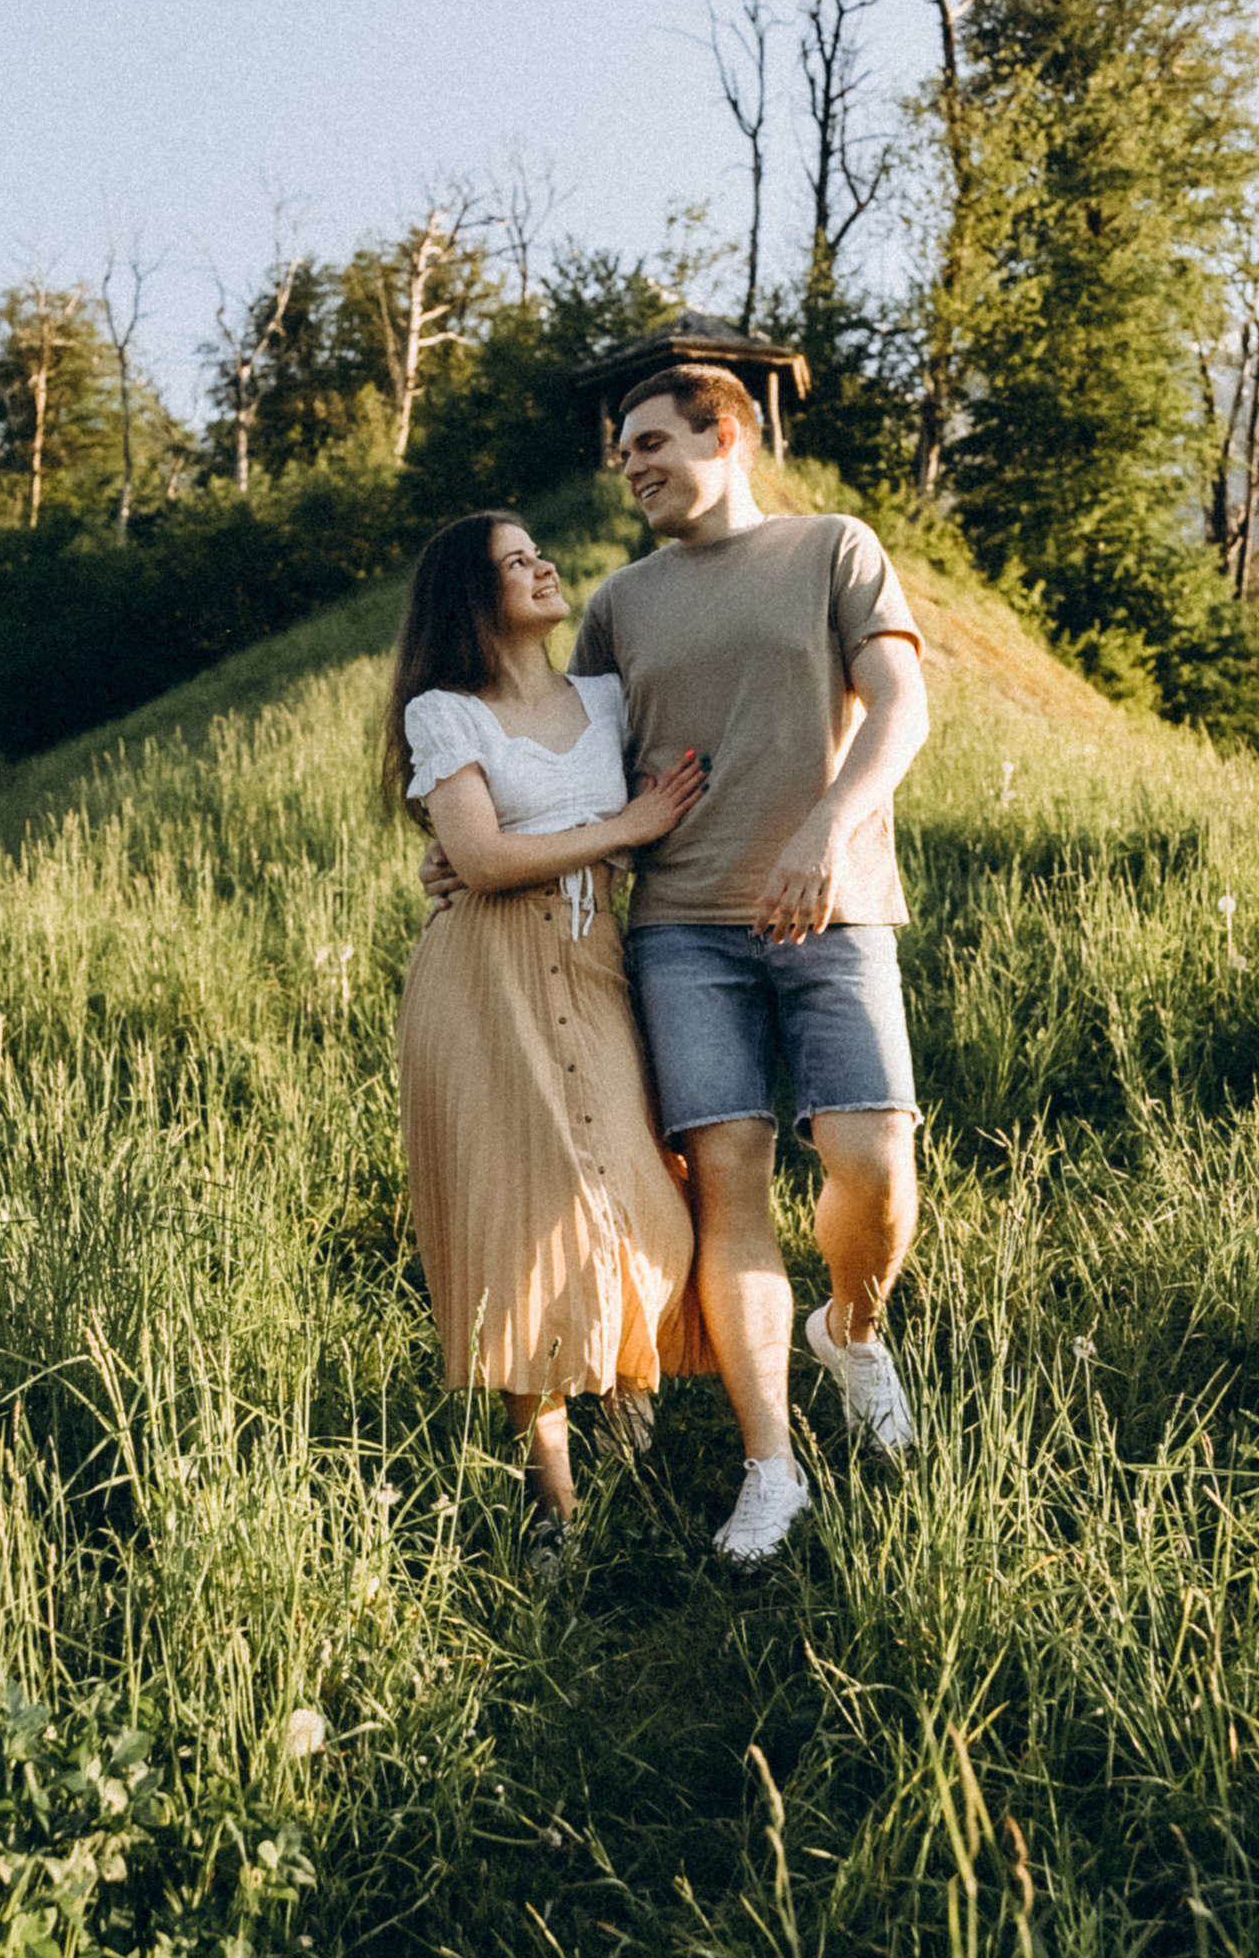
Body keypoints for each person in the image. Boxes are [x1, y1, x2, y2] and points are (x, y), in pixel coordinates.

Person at [565, 360, 930, 1563]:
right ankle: (769, 1467)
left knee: (871, 1159)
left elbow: (898, 707)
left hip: (833, 906)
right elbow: (572, 766)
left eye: (652, 443)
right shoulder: (618, 602)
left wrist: (827, 832)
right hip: (681, 929)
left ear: (728, 434)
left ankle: (852, 1331)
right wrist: (470, 847)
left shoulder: (832, 548)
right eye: (623, 454)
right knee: (730, 1180)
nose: (632, 467)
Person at [386, 509, 712, 1548]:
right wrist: (623, 829)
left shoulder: (608, 700)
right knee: (523, 1226)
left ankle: (626, 1391)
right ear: (471, 599)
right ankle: (554, 1504)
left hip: (595, 966)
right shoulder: (445, 714)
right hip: (485, 982)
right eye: (513, 561)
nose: (542, 565)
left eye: (540, 550)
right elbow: (477, 862)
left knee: (644, 1193)